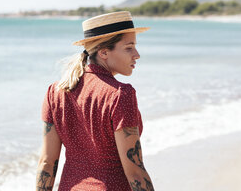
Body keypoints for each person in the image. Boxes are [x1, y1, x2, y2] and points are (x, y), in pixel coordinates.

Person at [35, 11, 155, 191]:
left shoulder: (56, 92)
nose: (137, 54)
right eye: (129, 47)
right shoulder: (120, 94)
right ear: (104, 52)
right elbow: (135, 172)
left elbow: (46, 162)